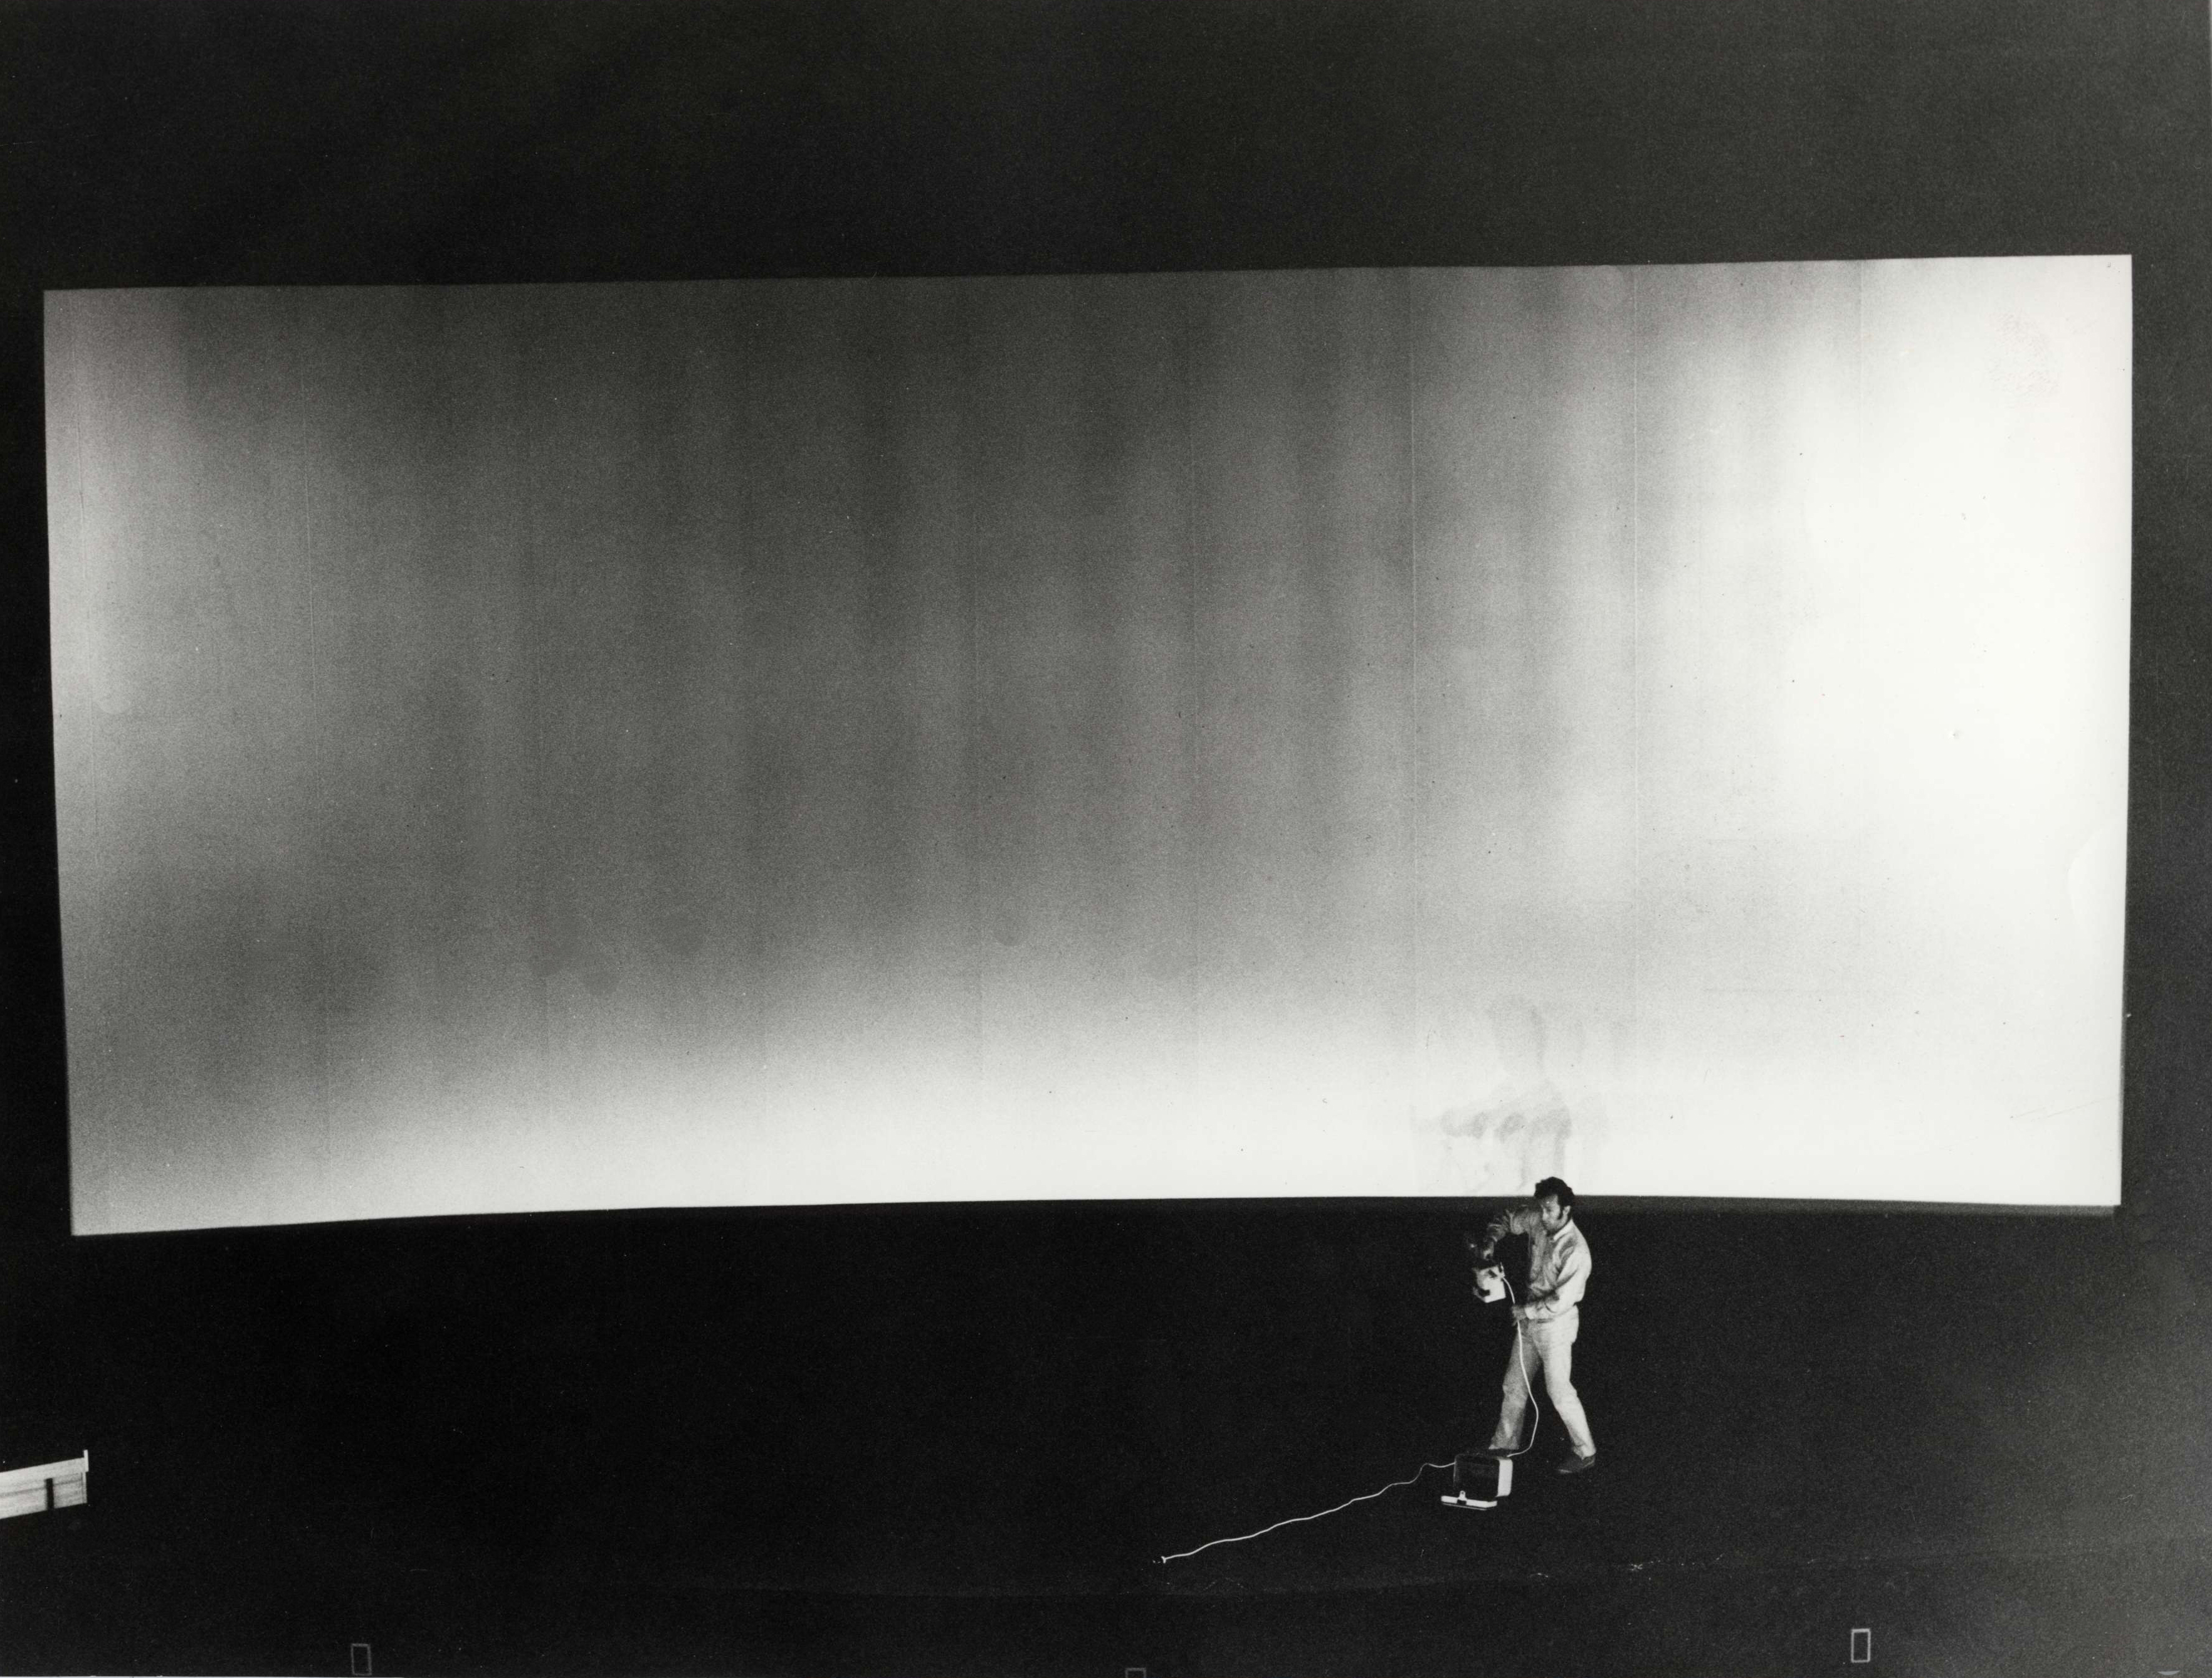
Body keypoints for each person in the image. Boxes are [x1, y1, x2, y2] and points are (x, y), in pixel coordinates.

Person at [1477, 1176, 1596, 1474]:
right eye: (1540, 1208)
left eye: (1549, 1210)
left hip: (1555, 1325)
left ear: (1566, 1210)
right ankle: (1503, 1445)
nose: (1542, 1216)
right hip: (1528, 1321)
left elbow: (1561, 1301)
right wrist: (1491, 1240)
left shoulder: (1576, 1250)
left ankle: (1585, 1452)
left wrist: (1526, 1311)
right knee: (1513, 1385)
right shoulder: (1538, 1219)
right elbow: (1508, 1219)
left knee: (1559, 1391)